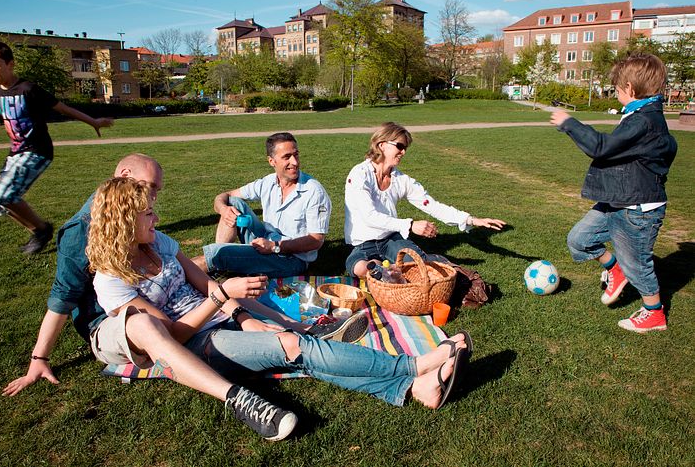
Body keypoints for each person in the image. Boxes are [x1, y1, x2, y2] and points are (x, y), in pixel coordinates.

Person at [85, 177, 472, 439]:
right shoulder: (111, 280)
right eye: (147, 213)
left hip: (224, 318)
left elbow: (206, 283)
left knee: (297, 346)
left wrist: (245, 312)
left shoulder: (160, 244)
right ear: (122, 221)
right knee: (294, 348)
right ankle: (414, 367)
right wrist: (222, 300)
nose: (156, 217)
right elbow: (172, 338)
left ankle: (416, 388)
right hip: (199, 345)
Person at [2, 154, 363, 402]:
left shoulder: (149, 234)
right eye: (150, 191)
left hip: (172, 307)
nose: (155, 201)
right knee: (238, 303)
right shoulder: (83, 234)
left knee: (226, 276)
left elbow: (191, 282)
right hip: (121, 320)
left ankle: (301, 330)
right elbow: (63, 298)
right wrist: (39, 358)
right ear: (125, 180)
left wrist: (239, 309)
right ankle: (273, 361)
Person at [550, 53, 677, 333]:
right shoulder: (642, 116)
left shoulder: (644, 121)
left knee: (638, 265)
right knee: (579, 240)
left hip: (638, 209)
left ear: (630, 89)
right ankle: (614, 268)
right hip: (617, 200)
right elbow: (670, 146)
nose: (616, 93)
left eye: (617, 89)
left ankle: (654, 313)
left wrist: (568, 123)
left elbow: (600, 147)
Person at [0, 39, 113, 254]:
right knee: (1, 200)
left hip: (37, 151)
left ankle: (41, 229)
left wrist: (93, 121)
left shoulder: (28, 89)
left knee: (5, 195)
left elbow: (63, 108)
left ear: (10, 64)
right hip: (16, 153)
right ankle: (40, 230)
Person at [344, 122, 506, 278]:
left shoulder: (401, 180)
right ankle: (387, 268)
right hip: (362, 243)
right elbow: (369, 216)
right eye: (399, 146)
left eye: (405, 148)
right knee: (359, 268)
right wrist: (410, 225)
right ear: (381, 145)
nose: (403, 152)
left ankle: (397, 268)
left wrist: (471, 219)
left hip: (391, 239)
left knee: (420, 269)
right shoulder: (359, 175)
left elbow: (431, 205)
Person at [196, 132, 332, 278]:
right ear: (271, 161)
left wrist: (275, 247)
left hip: (292, 259)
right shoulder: (267, 183)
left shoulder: (314, 191)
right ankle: (218, 263)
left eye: (296, 155)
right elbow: (223, 196)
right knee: (232, 203)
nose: (295, 162)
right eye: (287, 157)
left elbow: (316, 241)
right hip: (266, 240)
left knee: (218, 256)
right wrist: (223, 209)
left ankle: (189, 270)